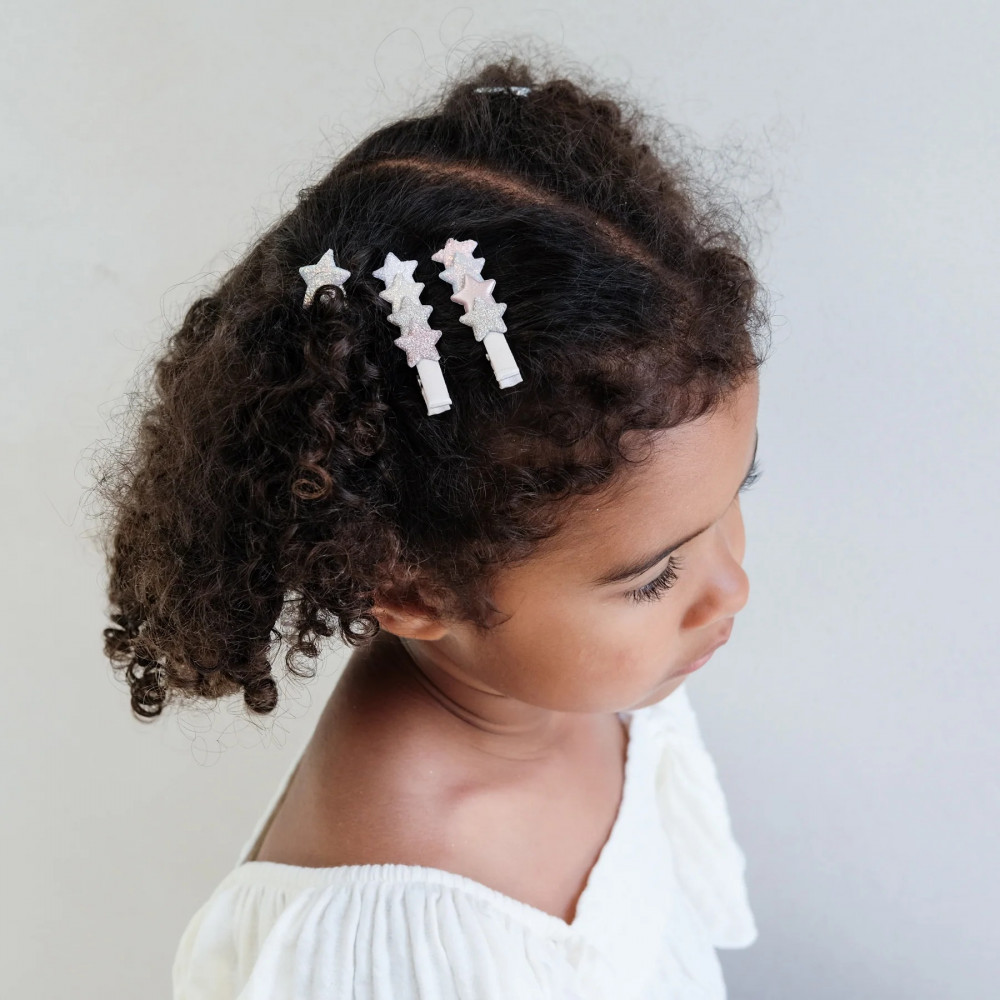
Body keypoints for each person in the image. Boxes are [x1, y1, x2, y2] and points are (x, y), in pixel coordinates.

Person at [95, 51, 772, 1000]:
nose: (732, 586)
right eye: (655, 574)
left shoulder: (592, 673)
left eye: (737, 493)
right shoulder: (396, 937)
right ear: (413, 589)